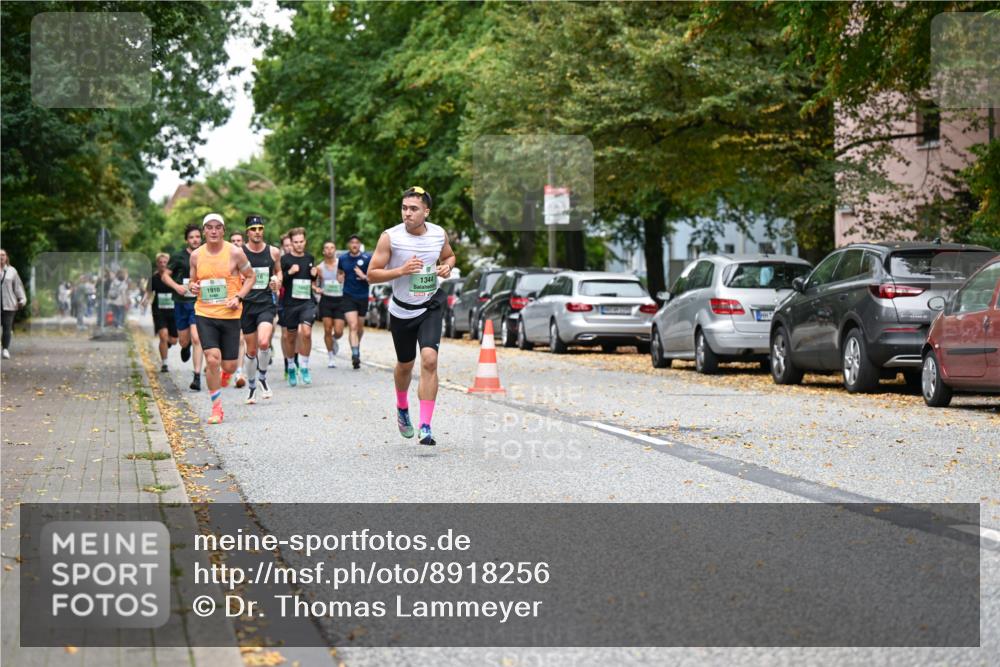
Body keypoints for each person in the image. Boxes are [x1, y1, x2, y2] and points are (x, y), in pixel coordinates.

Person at [367, 186, 455, 446]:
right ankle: (402, 406)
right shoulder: (390, 237)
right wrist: (401, 270)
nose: (408, 213)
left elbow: (449, 256)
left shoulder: (438, 233)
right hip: (402, 311)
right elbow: (372, 274)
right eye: (404, 208)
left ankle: (425, 426)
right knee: (405, 364)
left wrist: (447, 267)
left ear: (426, 211)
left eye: (414, 209)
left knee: (429, 360)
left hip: (430, 306)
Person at [188, 213, 255, 424]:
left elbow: (251, 277)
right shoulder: (196, 256)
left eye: (218, 227)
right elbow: (192, 281)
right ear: (204, 230)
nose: (214, 231)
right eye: (209, 227)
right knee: (212, 358)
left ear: (223, 231)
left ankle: (225, 374)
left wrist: (239, 296)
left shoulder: (235, 253)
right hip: (205, 313)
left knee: (229, 366)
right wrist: (193, 286)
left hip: (230, 314)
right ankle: (216, 408)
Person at [239, 215, 282, 403]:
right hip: (246, 305)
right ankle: (251, 386)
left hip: (266, 303)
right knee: (251, 350)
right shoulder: (239, 253)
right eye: (253, 229)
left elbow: (278, 271)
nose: (257, 232)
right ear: (247, 232)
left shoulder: (273, 252)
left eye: (260, 228)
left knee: (264, 342)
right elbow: (231, 273)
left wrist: (277, 281)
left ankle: (263, 377)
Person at [161, 224, 205, 391]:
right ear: (187, 240)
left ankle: (197, 377)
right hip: (181, 302)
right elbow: (165, 276)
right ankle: (184, 347)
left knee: (197, 338)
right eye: (191, 237)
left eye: (197, 237)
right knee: (184, 340)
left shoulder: (206, 254)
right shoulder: (178, 256)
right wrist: (176, 287)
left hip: (198, 302)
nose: (195, 239)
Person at [278, 227, 318, 386]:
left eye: (301, 242)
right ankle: (291, 366)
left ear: (305, 241)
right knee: (290, 337)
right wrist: (290, 273)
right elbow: (282, 282)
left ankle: (305, 366)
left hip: (307, 302)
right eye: (296, 242)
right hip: (290, 304)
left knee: (306, 333)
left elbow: (310, 279)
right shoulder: (285, 260)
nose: (299, 245)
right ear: (291, 243)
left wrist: (314, 274)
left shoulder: (310, 257)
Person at [337, 234, 372, 369]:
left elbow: (373, 276)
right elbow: (339, 273)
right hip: (348, 296)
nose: (354, 245)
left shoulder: (367, 258)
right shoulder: (343, 259)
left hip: (363, 296)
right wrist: (340, 278)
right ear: (349, 245)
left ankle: (356, 345)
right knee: (353, 326)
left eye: (357, 242)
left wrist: (364, 276)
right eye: (352, 242)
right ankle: (355, 354)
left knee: (360, 328)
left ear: (360, 245)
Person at [143, 253, 179, 372]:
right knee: (163, 335)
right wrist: (145, 300)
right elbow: (149, 292)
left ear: (168, 264)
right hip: (159, 310)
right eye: (160, 262)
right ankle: (164, 363)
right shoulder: (154, 278)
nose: (163, 264)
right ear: (157, 264)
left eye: (165, 262)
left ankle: (167, 342)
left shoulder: (173, 276)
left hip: (173, 310)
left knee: (173, 340)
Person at [316, 240, 345, 368]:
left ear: (335, 250)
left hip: (340, 300)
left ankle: (334, 339)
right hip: (326, 300)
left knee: (339, 331)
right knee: (327, 329)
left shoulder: (341, 265)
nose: (329, 250)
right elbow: (314, 283)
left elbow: (347, 278)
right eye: (326, 248)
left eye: (332, 247)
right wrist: (316, 289)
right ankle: (331, 357)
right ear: (323, 251)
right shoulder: (319, 268)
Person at [228, 230, 248, 389]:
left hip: (246, 303)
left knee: (241, 339)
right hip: (227, 304)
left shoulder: (248, 259)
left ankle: (239, 373)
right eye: (233, 240)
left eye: (239, 240)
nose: (236, 243)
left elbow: (254, 277)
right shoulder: (224, 259)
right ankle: (223, 367)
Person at [0, 249, 28, 359]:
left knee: (7, 328)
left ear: (6, 257)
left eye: (3, 255)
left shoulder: (12, 271)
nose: (1, 257)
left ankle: (5, 349)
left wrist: (22, 300)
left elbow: (18, 287)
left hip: (9, 305)